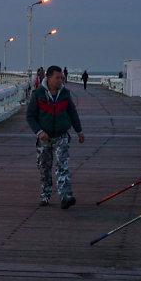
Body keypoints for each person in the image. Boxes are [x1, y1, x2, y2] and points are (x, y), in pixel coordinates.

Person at [26, 65, 85, 208]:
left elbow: (72, 113)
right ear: (49, 78)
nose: (60, 80)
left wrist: (79, 131)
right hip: (44, 137)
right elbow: (30, 116)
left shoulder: (65, 94)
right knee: (44, 167)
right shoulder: (38, 94)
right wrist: (39, 131)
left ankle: (65, 196)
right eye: (57, 78)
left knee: (62, 165)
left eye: (61, 78)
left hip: (61, 135)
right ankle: (45, 195)